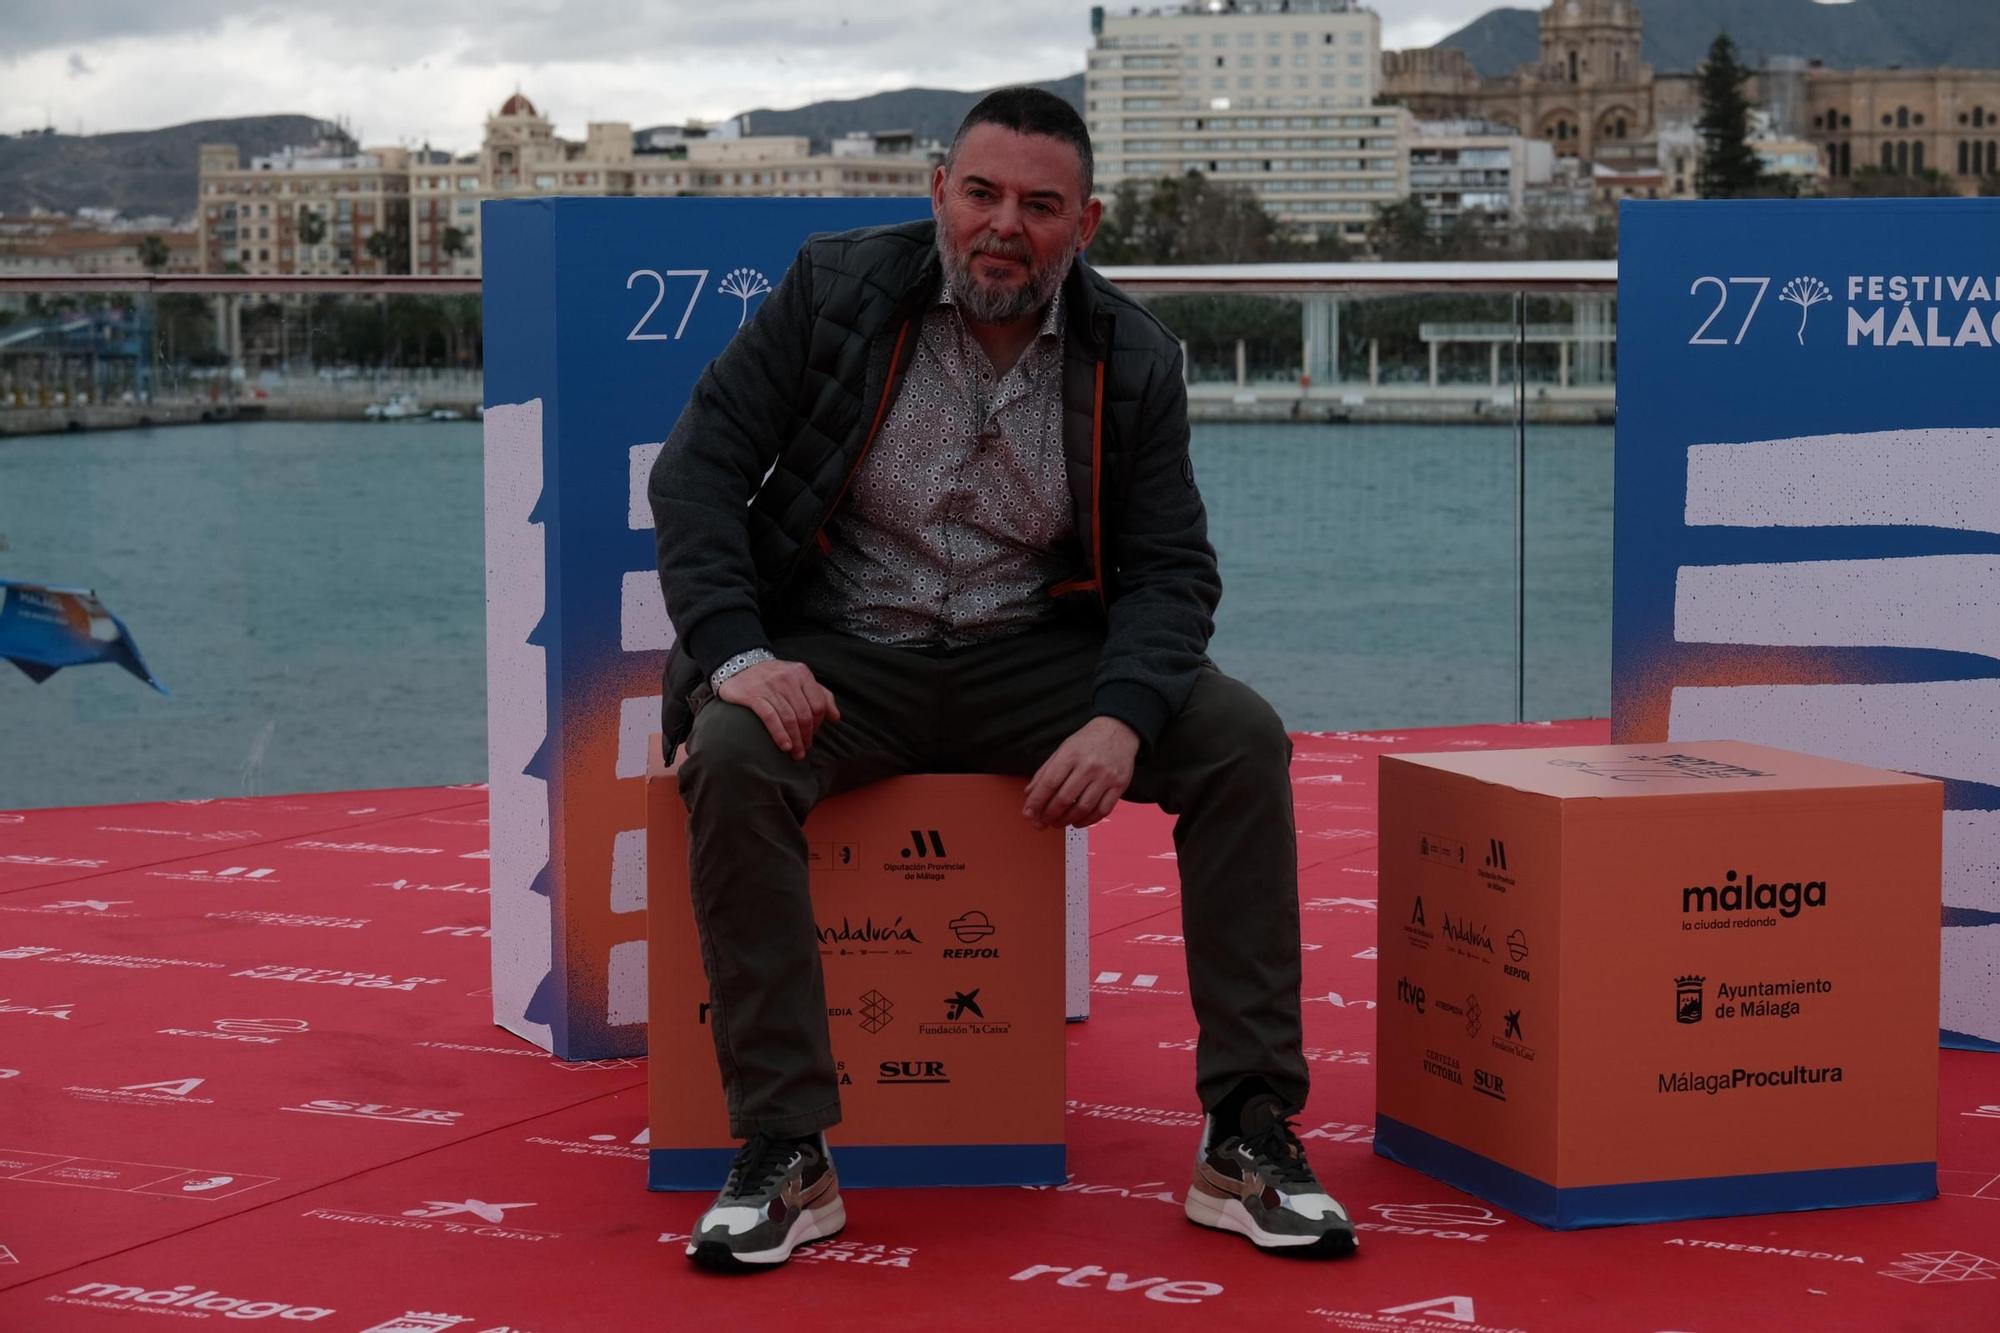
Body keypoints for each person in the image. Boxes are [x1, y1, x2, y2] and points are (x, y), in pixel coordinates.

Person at [650, 87, 1355, 1272]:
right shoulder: (834, 289)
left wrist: (1124, 719)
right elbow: (698, 475)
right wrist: (737, 657)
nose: (1002, 226)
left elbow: (1172, 570)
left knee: (1236, 736)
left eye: (1038, 206)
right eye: (980, 194)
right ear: (937, 195)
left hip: (1033, 658)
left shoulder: (1131, 355)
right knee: (728, 753)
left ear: (1084, 223)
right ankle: (785, 1150)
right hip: (842, 652)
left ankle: (1247, 1134)